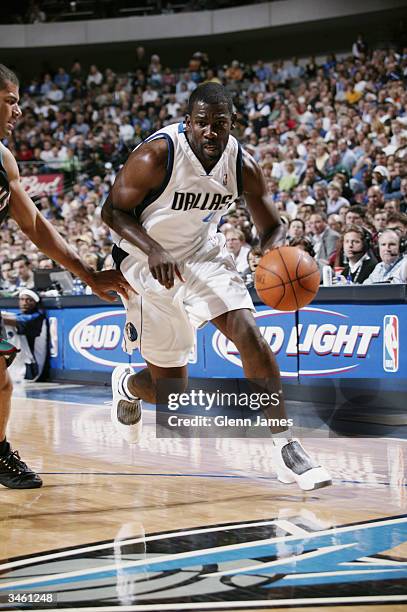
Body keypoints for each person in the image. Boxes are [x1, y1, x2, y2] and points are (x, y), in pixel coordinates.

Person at [102, 83, 331, 491]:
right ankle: (126, 385)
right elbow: (112, 212)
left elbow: (271, 225)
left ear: (232, 125)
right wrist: (153, 250)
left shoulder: (241, 165)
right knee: (170, 392)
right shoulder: (156, 156)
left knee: (250, 334)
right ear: (188, 123)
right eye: (202, 123)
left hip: (202, 255)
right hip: (143, 263)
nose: (210, 131)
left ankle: (285, 447)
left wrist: (271, 252)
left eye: (219, 124)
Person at [0, 64, 130, 489]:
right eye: (10, 101)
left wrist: (88, 274)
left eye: (18, 100)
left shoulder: (3, 159)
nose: (18, 110)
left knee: (1, 383)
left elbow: (35, 226)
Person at [1, 289, 48, 382]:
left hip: (31, 371)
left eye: (29, 300)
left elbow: (16, 321)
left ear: (35, 302)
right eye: (22, 299)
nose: (24, 303)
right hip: (15, 367)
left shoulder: (37, 318)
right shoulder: (18, 315)